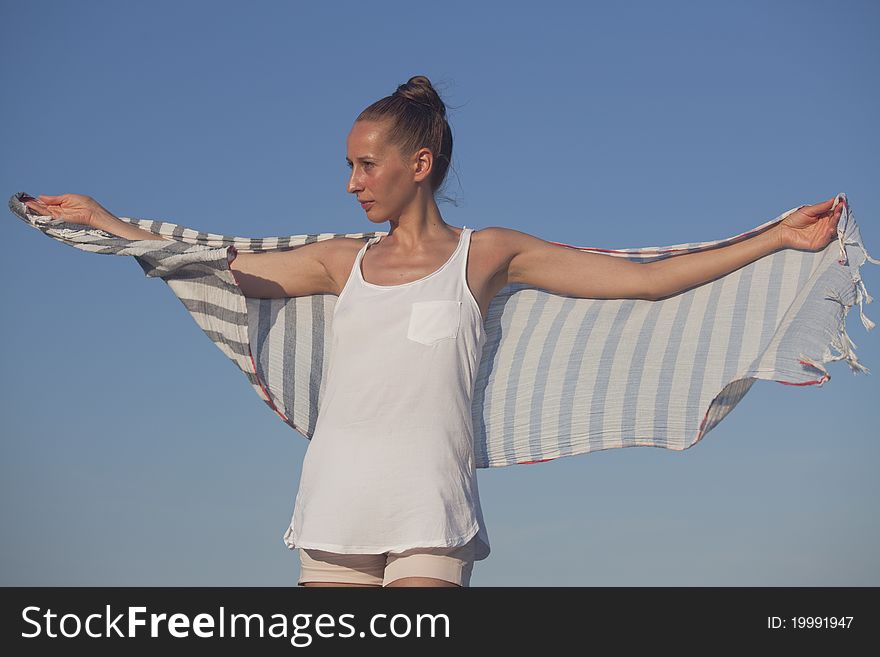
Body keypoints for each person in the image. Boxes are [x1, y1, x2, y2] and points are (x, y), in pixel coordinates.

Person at [22, 75, 844, 588]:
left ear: (419, 164)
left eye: (365, 164)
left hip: (430, 511)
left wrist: (775, 237)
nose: (351, 182)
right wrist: (110, 222)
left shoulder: (488, 256)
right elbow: (210, 262)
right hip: (333, 507)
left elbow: (643, 280)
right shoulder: (338, 262)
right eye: (347, 165)